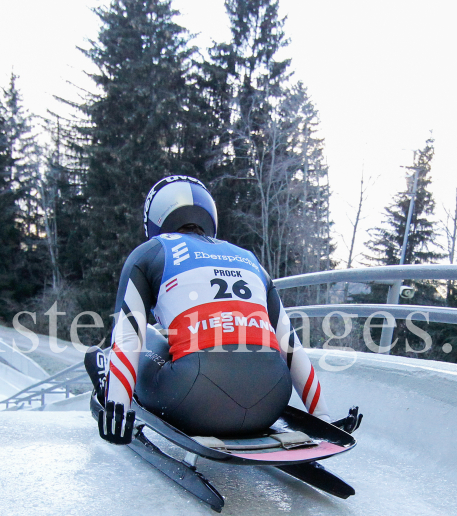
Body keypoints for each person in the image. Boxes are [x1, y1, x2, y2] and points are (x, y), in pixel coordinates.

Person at [86, 175, 332, 445]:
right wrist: (322, 417)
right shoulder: (251, 260)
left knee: (145, 330)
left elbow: (128, 335)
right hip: (272, 400)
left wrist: (116, 408)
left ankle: (107, 380)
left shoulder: (150, 252)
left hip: (195, 402)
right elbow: (290, 344)